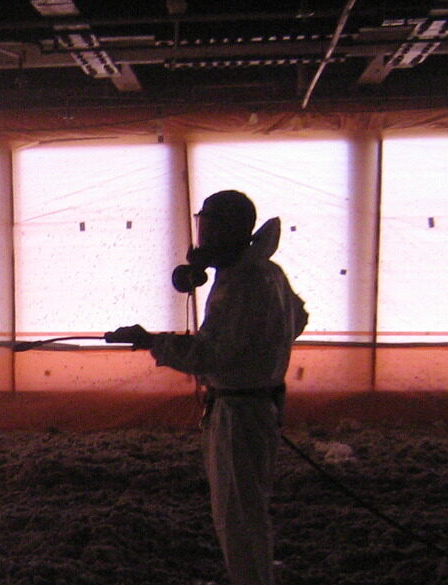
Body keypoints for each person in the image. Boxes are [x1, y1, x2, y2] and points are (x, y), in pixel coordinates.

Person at [106, 189, 307, 585]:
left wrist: (150, 341)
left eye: (210, 228)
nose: (203, 239)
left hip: (240, 412)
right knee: (246, 508)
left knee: (238, 514)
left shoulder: (245, 282)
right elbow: (297, 319)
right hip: (253, 404)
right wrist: (263, 353)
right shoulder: (265, 272)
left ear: (233, 230)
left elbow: (211, 355)